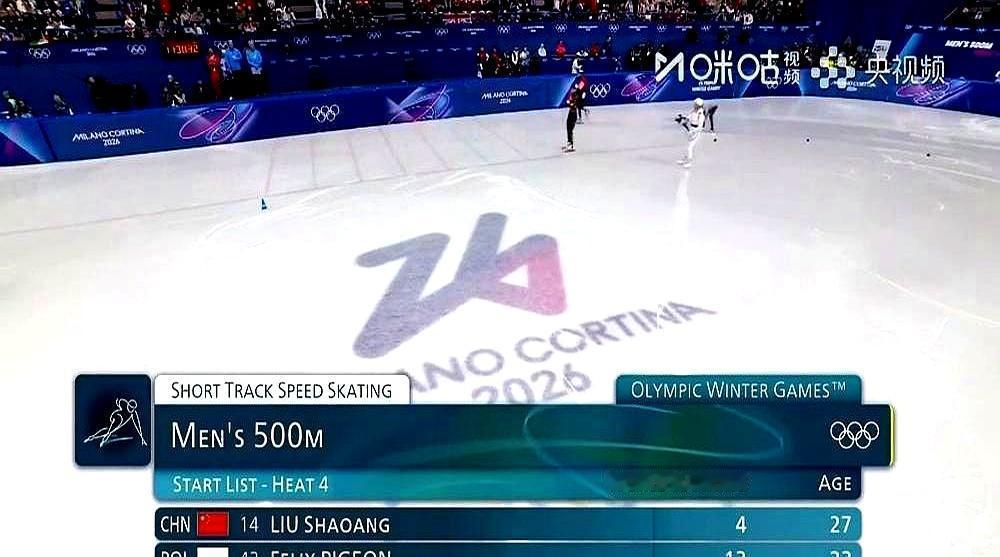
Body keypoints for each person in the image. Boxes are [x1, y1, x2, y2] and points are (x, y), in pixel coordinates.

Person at [676, 97, 707, 167]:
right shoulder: (694, 111)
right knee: (688, 146)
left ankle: (689, 162)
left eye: (695, 104)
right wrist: (684, 120)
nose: (694, 105)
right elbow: (689, 117)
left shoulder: (701, 115)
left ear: (698, 105)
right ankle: (685, 159)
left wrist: (693, 132)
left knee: (689, 147)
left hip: (696, 132)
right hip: (691, 129)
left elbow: (700, 127)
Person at [563, 86, 581, 153]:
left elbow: (573, 105)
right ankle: (569, 143)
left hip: (573, 115)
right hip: (570, 113)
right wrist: (569, 103)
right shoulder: (572, 96)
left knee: (570, 130)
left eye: (573, 90)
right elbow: (569, 104)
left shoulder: (576, 97)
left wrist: (569, 103)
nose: (571, 90)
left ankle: (570, 145)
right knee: (568, 129)